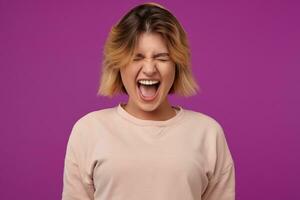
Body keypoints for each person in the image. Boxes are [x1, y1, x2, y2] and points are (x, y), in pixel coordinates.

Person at [62, 2, 235, 200]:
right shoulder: (89, 130)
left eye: (161, 58)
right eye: (137, 57)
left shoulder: (208, 133)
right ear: (118, 64)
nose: (150, 68)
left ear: (177, 65)